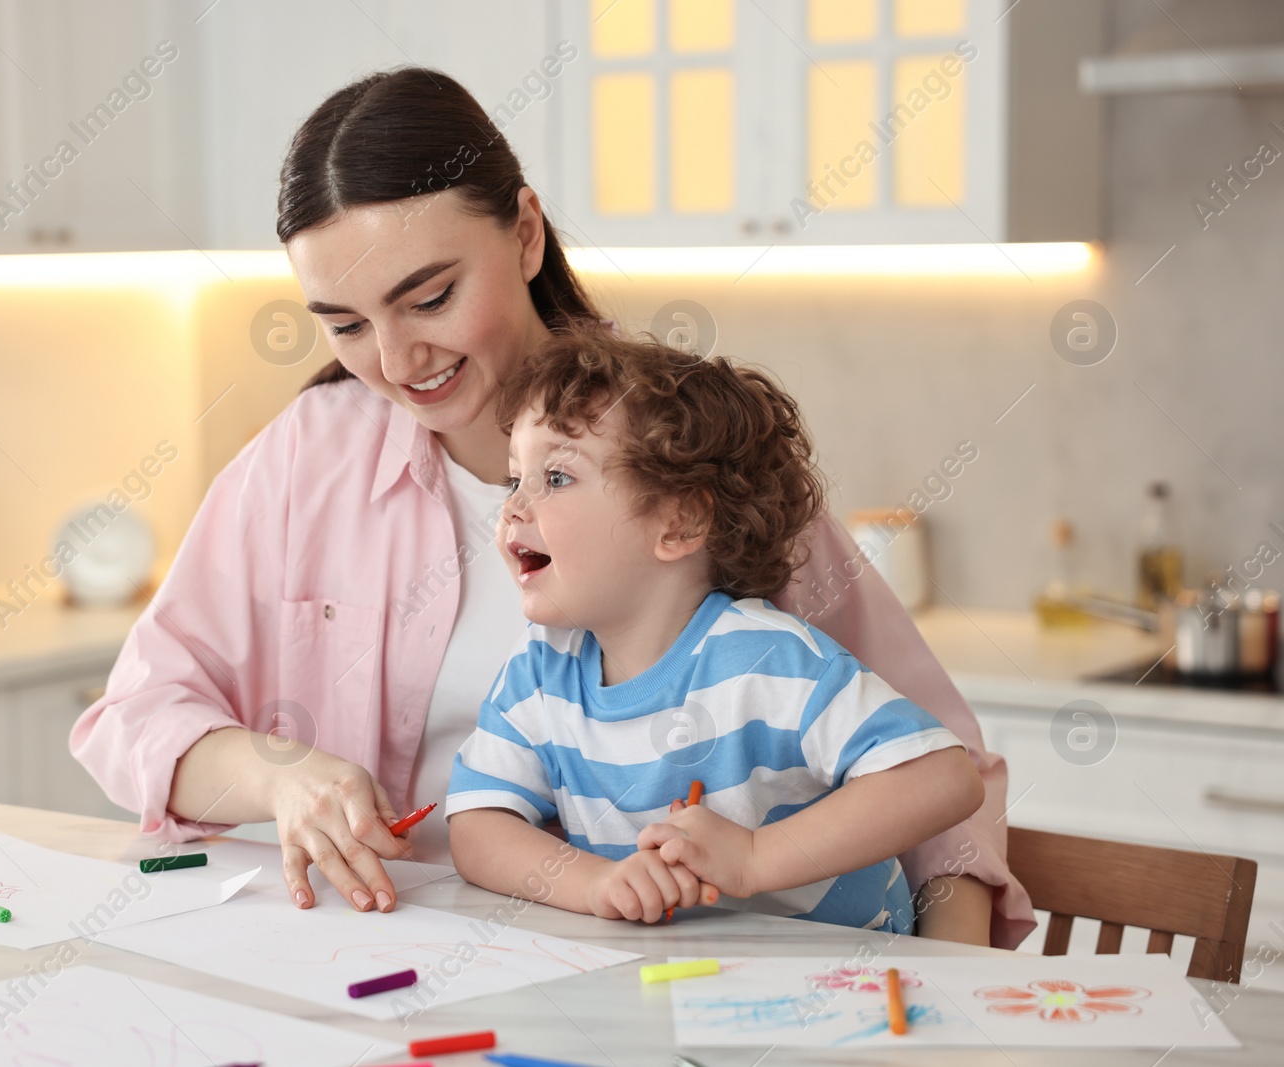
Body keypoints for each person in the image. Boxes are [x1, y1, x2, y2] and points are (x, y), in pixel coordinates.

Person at [69, 67, 1034, 948]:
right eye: (348, 325)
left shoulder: (678, 448)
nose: (398, 364)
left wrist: (954, 999)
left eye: (431, 297)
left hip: (706, 982)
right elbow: (132, 715)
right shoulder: (303, 459)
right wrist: (280, 775)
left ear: (525, 233)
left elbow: (943, 786)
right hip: (406, 968)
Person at [446, 329, 985, 930]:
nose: (513, 507)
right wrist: (596, 883)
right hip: (681, 985)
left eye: (557, 478)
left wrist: (755, 858)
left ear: (678, 523)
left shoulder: (765, 659)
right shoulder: (540, 670)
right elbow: (477, 824)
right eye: (512, 479)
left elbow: (943, 779)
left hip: (840, 984)